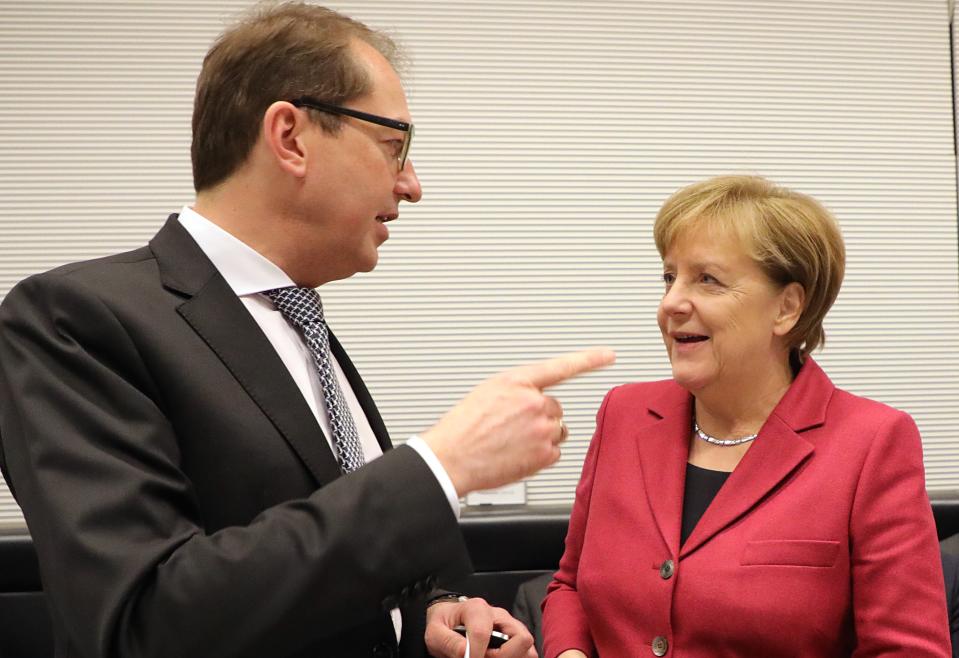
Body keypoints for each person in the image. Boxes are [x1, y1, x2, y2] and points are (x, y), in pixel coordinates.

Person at [0, 4, 615, 658]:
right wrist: (441, 465)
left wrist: (425, 614)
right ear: (290, 136)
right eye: (394, 145)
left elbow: (316, 568)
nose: (412, 185)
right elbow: (141, 621)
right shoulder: (71, 319)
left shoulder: (298, 319)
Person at [541, 175, 950, 657]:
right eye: (669, 277)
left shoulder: (872, 443)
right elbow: (569, 587)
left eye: (707, 280)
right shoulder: (625, 414)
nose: (670, 303)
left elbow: (908, 650)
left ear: (787, 308)